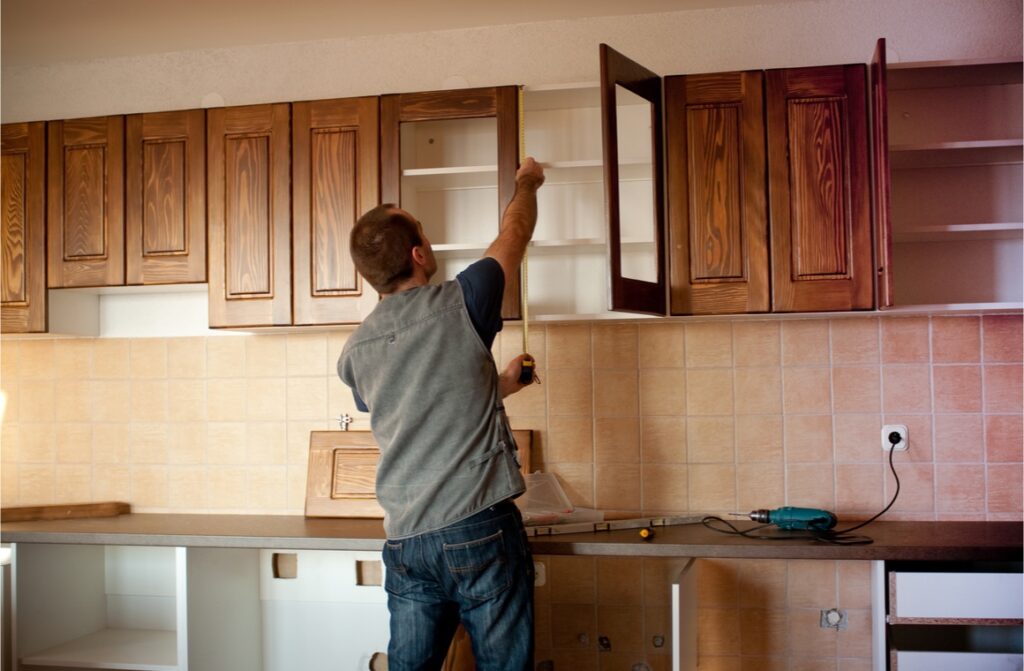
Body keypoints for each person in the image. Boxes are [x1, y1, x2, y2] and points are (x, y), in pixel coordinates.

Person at [338, 157, 546, 670]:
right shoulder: (465, 301)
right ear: (419, 253)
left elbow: (418, 406)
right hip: (479, 526)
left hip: (407, 540)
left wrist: (497, 387)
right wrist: (527, 182)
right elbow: (514, 234)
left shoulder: (354, 352)